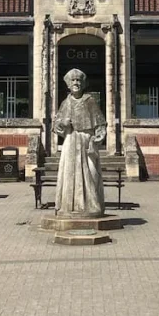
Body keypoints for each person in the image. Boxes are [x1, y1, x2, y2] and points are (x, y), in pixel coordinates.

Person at [53, 68, 106, 218]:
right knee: (69, 173)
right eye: (73, 80)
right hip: (70, 140)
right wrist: (62, 123)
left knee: (91, 173)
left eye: (78, 80)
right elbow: (56, 125)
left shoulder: (90, 101)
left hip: (86, 140)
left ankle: (91, 206)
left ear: (83, 83)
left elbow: (101, 124)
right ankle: (68, 206)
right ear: (68, 84)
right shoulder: (65, 103)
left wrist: (96, 139)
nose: (76, 83)